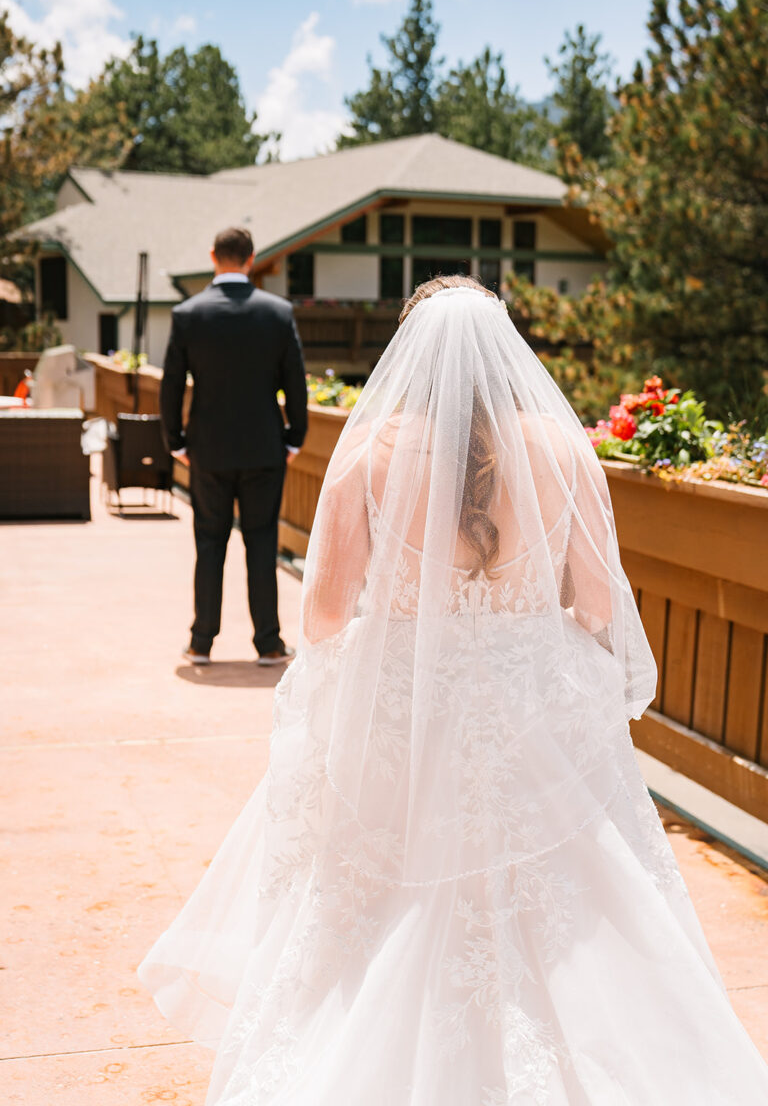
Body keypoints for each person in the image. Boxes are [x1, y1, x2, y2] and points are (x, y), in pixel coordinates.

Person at [141, 276, 768, 1103]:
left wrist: (393, 646)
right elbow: (601, 600)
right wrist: (530, 637)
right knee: (577, 893)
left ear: (410, 355)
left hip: (411, 706)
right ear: (505, 352)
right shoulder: (560, 448)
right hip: (531, 701)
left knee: (380, 888)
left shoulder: (367, 456)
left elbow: (325, 613)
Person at [160, 226, 307, 667]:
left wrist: (176, 442)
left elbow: (170, 386)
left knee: (209, 542)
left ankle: (201, 641)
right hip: (265, 449)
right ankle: (268, 644)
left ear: (212, 257)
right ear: (251, 259)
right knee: (262, 542)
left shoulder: (188, 314)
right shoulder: (278, 313)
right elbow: (295, 386)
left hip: (207, 450)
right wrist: (294, 439)